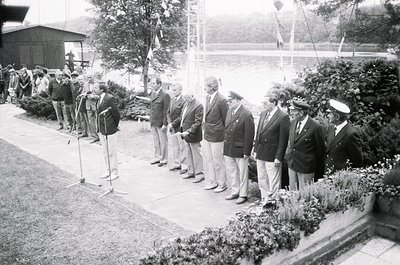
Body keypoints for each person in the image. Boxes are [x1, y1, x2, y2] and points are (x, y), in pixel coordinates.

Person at [254, 93, 290, 201]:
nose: (263, 105)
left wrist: (278, 157)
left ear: (274, 103)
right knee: (262, 179)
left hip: (272, 155)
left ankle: (274, 201)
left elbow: (283, 140)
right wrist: (255, 149)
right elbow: (259, 133)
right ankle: (264, 200)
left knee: (273, 180)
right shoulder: (263, 113)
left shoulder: (283, 117)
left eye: (266, 103)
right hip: (260, 153)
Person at [286, 99, 326, 191]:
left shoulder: (315, 127)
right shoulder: (292, 123)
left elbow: (321, 151)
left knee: (305, 195)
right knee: (292, 193)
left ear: (301, 112)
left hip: (306, 168)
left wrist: (311, 164)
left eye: (293, 111)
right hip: (292, 165)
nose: (291, 113)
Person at [223, 91, 255, 204]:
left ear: (237, 100)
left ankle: (243, 194)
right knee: (232, 172)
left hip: (240, 149)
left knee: (242, 173)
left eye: (231, 101)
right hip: (229, 148)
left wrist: (247, 151)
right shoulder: (230, 111)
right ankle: (234, 191)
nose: (229, 103)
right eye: (228, 101)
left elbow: (249, 135)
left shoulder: (246, 114)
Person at [203, 76, 229, 192]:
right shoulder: (208, 98)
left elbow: (226, 120)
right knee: (209, 159)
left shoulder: (221, 100)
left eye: (206, 86)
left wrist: (222, 133)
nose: (204, 88)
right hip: (208, 133)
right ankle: (212, 181)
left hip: (217, 135)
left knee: (218, 160)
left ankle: (222, 183)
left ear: (212, 87)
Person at [325, 99, 362, 173]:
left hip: (342, 176)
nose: (328, 116)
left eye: (330, 114)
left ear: (337, 117)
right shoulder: (331, 128)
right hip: (328, 173)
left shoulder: (351, 134)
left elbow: (357, 161)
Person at [179, 89, 205, 183]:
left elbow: (198, 122)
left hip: (193, 134)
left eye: (187, 97)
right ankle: (191, 171)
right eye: (184, 97)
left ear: (192, 95)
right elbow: (183, 118)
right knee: (188, 154)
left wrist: (189, 131)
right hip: (186, 133)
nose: (185, 99)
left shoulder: (198, 105)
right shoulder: (186, 104)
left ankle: (199, 174)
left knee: (196, 154)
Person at [97, 83, 120, 181]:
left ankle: (114, 172)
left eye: (95, 88)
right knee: (104, 151)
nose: (93, 89)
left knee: (111, 151)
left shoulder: (110, 98)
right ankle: (108, 170)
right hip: (101, 128)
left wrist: (114, 125)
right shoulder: (98, 98)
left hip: (110, 128)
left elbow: (116, 113)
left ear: (101, 89)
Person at [149, 76, 170, 167]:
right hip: (153, 121)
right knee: (156, 141)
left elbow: (166, 111)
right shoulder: (152, 94)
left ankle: (164, 159)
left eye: (154, 83)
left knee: (163, 141)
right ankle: (157, 157)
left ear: (159, 84)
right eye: (151, 83)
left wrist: (165, 124)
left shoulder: (165, 95)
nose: (152, 85)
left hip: (161, 122)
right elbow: (152, 108)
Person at [167, 82, 188, 174]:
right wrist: (169, 123)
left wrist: (173, 124)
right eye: (173, 90)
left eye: (175, 90)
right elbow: (168, 112)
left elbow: (182, 116)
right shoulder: (172, 100)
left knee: (182, 146)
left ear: (180, 90)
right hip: (172, 127)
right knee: (175, 146)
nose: (173, 91)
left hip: (179, 127)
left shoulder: (183, 101)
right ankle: (177, 163)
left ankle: (184, 165)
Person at [83, 72, 100, 143]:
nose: (89, 79)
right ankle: (94, 137)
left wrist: (94, 96)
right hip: (88, 105)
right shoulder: (85, 84)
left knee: (99, 121)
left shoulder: (98, 84)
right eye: (88, 77)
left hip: (96, 105)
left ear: (94, 77)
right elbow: (83, 92)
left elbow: (100, 96)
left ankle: (101, 137)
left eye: (90, 77)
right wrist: (84, 95)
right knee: (90, 121)